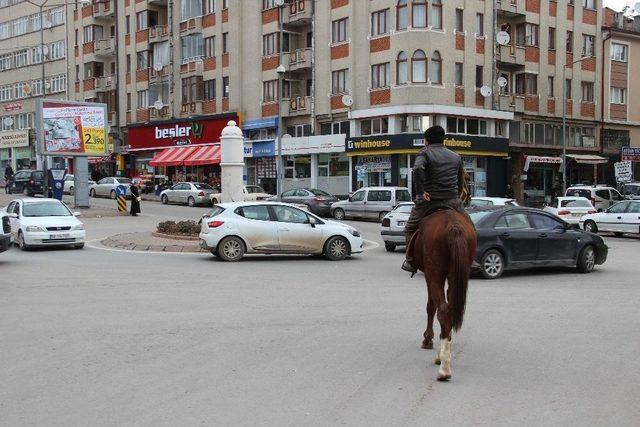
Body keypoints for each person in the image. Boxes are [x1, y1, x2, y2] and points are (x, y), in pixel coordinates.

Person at [402, 125, 470, 274]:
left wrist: (421, 191)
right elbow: (460, 181)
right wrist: (456, 195)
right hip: (452, 201)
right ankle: (472, 258)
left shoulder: (424, 153)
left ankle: (410, 260)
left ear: (427, 141)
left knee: (410, 228)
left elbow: (418, 169)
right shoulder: (456, 156)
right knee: (470, 227)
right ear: (443, 139)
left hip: (429, 201)